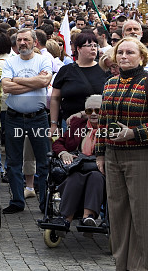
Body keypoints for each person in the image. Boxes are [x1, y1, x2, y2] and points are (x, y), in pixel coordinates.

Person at [96, 38, 148, 271]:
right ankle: (122, 264)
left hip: (140, 156)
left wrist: (133, 133)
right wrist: (99, 154)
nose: (124, 56)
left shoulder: (146, 83)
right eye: (120, 52)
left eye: (130, 52)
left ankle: (141, 265)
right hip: (112, 156)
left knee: (141, 214)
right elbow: (103, 121)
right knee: (117, 215)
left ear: (142, 57)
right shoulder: (110, 84)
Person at [0, 29, 52, 214]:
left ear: (35, 42)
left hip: (38, 118)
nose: (22, 43)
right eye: (19, 40)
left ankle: (45, 203)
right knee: (14, 161)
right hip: (14, 118)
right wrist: (34, 81)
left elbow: (45, 81)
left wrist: (18, 81)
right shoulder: (10, 61)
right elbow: (6, 86)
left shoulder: (43, 60)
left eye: (26, 40)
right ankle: (17, 201)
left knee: (44, 162)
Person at [49, 94, 105, 230]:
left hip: (99, 169)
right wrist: (63, 153)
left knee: (95, 177)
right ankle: (65, 219)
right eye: (89, 111)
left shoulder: (110, 128)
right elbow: (58, 143)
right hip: (77, 166)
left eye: (97, 110)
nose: (93, 114)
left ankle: (88, 217)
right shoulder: (77, 126)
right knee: (74, 177)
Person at [49, 31, 107, 135]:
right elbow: (55, 98)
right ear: (78, 49)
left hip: (98, 124)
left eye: (95, 45)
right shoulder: (65, 70)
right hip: (70, 123)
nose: (93, 48)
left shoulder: (104, 69)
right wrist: (53, 124)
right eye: (89, 45)